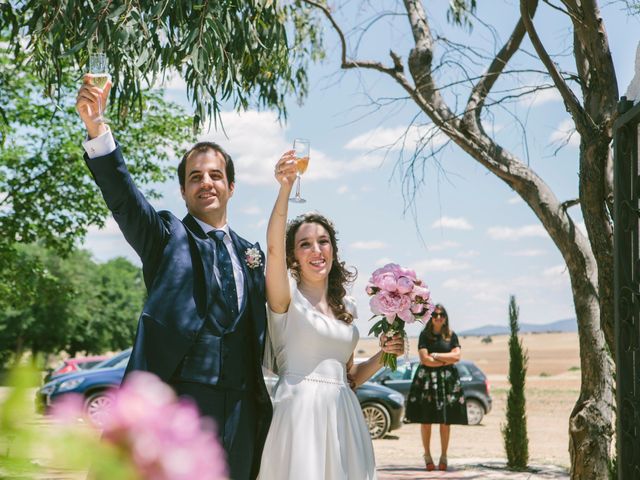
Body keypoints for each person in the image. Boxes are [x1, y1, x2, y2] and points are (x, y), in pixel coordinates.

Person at [75, 75, 272, 480]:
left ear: (231, 186)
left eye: (215, 175)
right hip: (181, 400)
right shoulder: (166, 237)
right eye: (195, 177)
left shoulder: (251, 252)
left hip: (241, 406)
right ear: (183, 191)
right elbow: (124, 199)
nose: (206, 183)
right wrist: (97, 130)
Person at [257, 151, 404, 479]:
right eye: (304, 244)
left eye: (323, 242)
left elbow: (349, 378)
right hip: (299, 413)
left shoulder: (347, 307)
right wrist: (284, 189)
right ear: (293, 256)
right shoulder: (286, 300)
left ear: (333, 251)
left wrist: (384, 355)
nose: (316, 250)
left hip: (344, 415)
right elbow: (272, 249)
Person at [405, 304, 468, 471]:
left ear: (445, 317)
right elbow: (425, 360)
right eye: (435, 315)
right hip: (427, 382)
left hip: (447, 383)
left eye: (442, 315)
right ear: (430, 318)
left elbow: (457, 356)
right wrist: (446, 360)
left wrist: (437, 356)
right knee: (426, 420)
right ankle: (427, 455)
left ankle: (444, 456)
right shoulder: (424, 335)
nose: (438, 317)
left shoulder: (451, 335)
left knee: (445, 421)